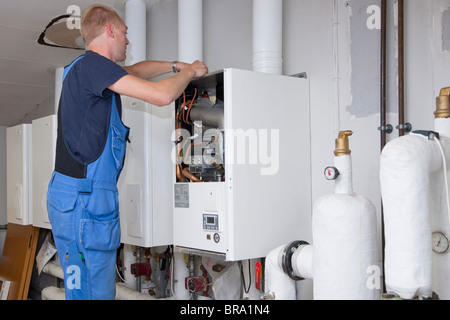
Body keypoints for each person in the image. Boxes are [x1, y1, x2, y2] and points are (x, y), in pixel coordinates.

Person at [46, 4, 208, 300]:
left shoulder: (85, 69)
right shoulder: (93, 66)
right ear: (109, 30)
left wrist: (175, 66)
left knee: (83, 291)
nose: (128, 40)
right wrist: (192, 72)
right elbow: (162, 95)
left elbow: (136, 70)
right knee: (92, 294)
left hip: (77, 200)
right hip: (86, 202)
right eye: (124, 32)